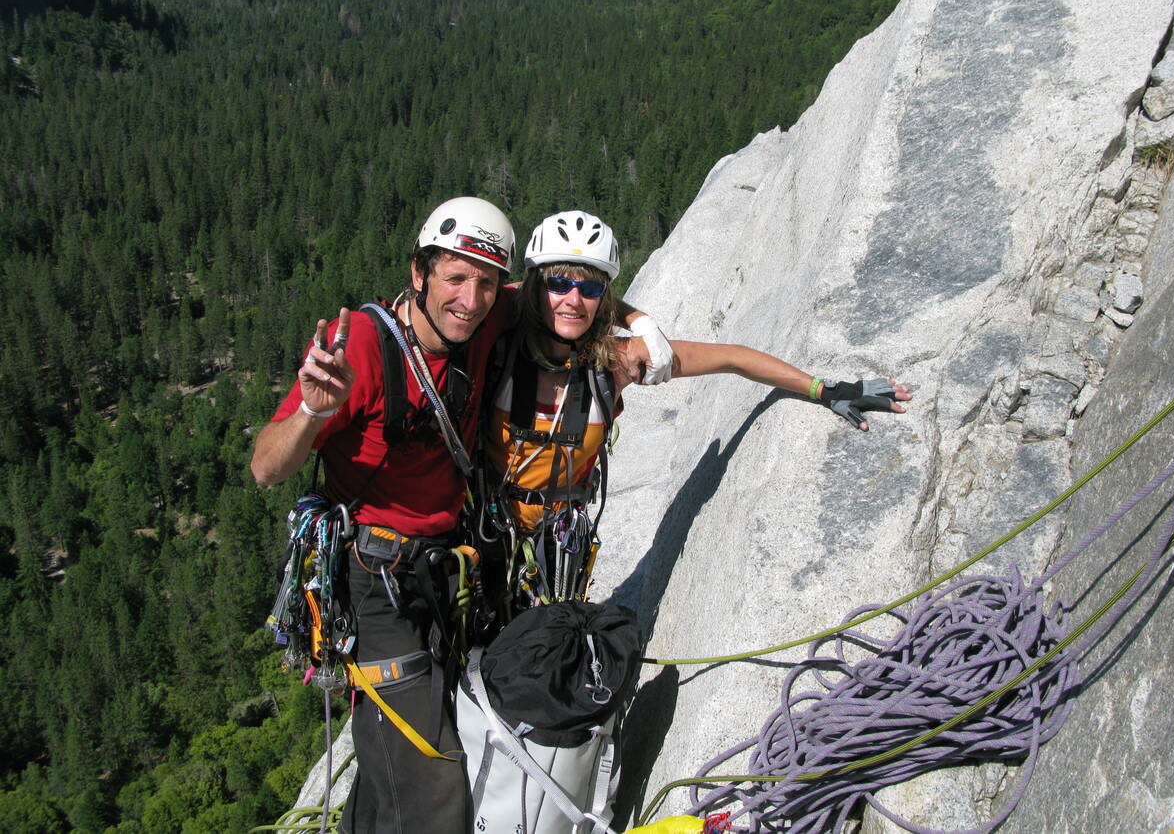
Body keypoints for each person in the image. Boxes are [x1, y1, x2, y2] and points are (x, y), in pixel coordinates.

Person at [250, 197, 667, 834]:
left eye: (485, 282)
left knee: (404, 748)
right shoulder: (360, 345)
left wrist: (642, 323)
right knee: (436, 779)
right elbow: (265, 467)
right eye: (454, 278)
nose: (470, 300)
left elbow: (566, 286)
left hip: (447, 572)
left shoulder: (487, 311)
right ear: (419, 274)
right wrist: (312, 410)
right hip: (377, 585)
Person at [476, 209, 912, 617]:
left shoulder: (616, 363)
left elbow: (734, 358)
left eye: (590, 288)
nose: (573, 300)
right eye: (558, 284)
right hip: (487, 528)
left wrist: (822, 388)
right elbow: (469, 295)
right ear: (537, 287)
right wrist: (638, 314)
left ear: (602, 298)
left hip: (558, 545)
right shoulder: (498, 342)